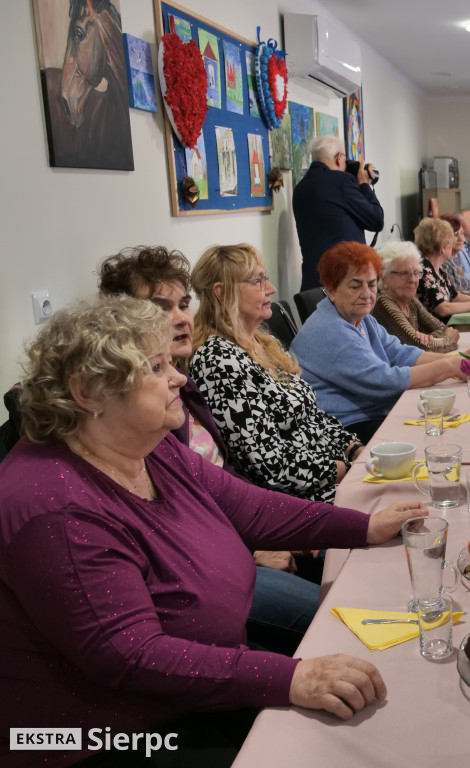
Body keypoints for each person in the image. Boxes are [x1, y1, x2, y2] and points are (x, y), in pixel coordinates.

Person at [0, 296, 427, 767]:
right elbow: (130, 656)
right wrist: (289, 679)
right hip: (106, 734)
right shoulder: (56, 508)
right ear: (87, 392)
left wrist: (364, 526)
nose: (179, 377)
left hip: (196, 678)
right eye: (157, 367)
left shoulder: (147, 446)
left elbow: (252, 508)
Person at [97, 245, 320, 656]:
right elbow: (170, 525)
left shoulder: (183, 383)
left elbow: (224, 482)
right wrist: (252, 547)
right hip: (210, 570)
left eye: (184, 304)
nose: (182, 318)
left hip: (235, 541)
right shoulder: (138, 410)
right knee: (338, 618)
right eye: (161, 308)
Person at [190, 244, 363, 504]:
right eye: (258, 281)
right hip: (301, 497)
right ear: (222, 293)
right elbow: (268, 466)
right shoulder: (218, 360)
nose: (270, 289)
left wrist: (354, 448)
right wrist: (345, 470)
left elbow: (312, 416)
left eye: (266, 278)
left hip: (332, 473)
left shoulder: (262, 341)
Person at [291, 242, 470, 443]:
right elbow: (385, 382)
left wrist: (457, 358)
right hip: (346, 429)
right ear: (332, 290)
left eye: (371, 284)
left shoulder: (361, 317)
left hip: (372, 413)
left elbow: (400, 353)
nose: (366, 294)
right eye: (355, 285)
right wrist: (449, 366)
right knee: (440, 435)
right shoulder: (330, 329)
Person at [293, 135, 384, 291]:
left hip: (312, 283)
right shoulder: (342, 181)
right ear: (339, 158)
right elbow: (376, 220)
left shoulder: (300, 188)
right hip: (343, 281)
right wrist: (364, 184)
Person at [372, 239, 460, 352]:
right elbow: (418, 349)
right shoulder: (384, 304)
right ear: (384, 278)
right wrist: (449, 340)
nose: (413, 280)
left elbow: (442, 328)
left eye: (416, 273)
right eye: (404, 273)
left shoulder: (410, 301)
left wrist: (430, 339)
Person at [415, 217, 470, 320]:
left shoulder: (438, 269)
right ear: (442, 247)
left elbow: (455, 296)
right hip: (437, 332)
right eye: (450, 241)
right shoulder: (425, 270)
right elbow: (443, 308)